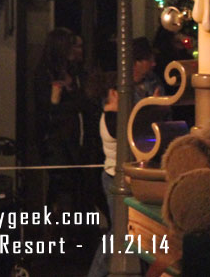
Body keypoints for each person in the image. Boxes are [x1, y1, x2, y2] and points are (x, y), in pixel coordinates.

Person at [34, 27, 89, 213]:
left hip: (74, 139)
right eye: (70, 46)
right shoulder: (44, 73)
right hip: (55, 141)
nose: (74, 51)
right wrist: (56, 99)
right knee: (61, 187)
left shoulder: (74, 73)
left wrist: (72, 87)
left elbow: (85, 102)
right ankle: (58, 231)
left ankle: (70, 232)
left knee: (74, 187)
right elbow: (45, 110)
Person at [86, 73, 118, 277]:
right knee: (117, 232)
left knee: (120, 231)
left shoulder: (108, 116)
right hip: (114, 178)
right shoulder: (113, 119)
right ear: (114, 93)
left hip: (111, 176)